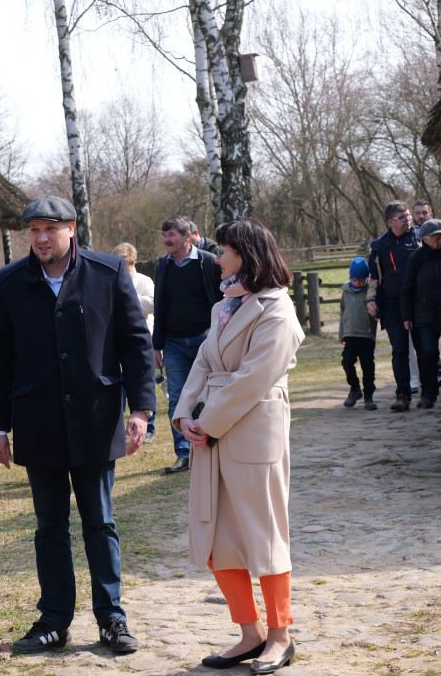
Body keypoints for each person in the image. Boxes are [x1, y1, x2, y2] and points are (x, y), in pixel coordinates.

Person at [0, 196, 156, 656]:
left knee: (100, 521)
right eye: (33, 230)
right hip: (36, 421)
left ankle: (112, 618)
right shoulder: (8, 282)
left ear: (72, 229)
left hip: (95, 419)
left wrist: (140, 408)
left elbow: (135, 343)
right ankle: (54, 620)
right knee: (49, 527)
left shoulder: (109, 271)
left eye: (50, 229)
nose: (41, 238)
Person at [172, 218, 304, 675]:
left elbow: (253, 378)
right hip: (211, 429)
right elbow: (204, 362)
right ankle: (250, 633)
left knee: (263, 534)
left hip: (252, 428)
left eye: (224, 250)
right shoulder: (224, 305)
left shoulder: (277, 310)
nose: (218, 257)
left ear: (246, 253)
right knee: (217, 537)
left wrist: (206, 421)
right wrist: (183, 415)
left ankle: (280, 636)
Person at [153, 216, 223, 472]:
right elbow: (160, 307)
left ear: (186, 236)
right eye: (163, 235)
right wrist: (156, 345)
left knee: (208, 393)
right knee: (178, 398)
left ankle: (211, 444)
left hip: (204, 341)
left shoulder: (207, 261)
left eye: (171, 234)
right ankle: (183, 454)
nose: (166, 240)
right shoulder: (162, 266)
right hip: (172, 343)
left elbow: (223, 297)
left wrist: (213, 328)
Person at [400, 219, 441, 414]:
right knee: (427, 354)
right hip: (424, 315)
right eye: (437, 237)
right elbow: (407, 289)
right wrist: (407, 316)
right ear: (425, 239)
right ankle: (429, 394)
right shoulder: (416, 258)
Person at [366, 201, 420, 411]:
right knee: (399, 350)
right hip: (391, 305)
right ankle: (403, 395)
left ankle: (428, 392)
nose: (408, 220)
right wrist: (371, 300)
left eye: (408, 216)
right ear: (390, 221)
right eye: (402, 217)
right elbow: (374, 278)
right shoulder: (380, 246)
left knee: (424, 349)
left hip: (419, 303)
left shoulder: (420, 236)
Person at [112, 242, 157, 441]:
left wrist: (128, 297)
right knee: (118, 387)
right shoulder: (110, 280)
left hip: (141, 341)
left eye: (126, 265)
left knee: (143, 382)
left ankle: (149, 427)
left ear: (133, 264)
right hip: (116, 342)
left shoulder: (144, 281)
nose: (122, 269)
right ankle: (117, 428)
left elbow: (151, 304)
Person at [339, 257, 377, 410]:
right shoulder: (346, 292)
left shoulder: (371, 292)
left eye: (363, 280)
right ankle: (355, 389)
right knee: (347, 362)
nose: (360, 283)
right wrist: (341, 334)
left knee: (367, 367)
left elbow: (375, 312)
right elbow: (343, 313)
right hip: (349, 334)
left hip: (366, 335)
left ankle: (368, 394)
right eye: (356, 281)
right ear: (350, 278)